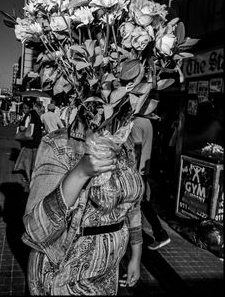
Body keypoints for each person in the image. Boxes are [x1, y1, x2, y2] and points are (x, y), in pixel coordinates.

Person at [22, 119, 144, 295]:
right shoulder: (60, 142)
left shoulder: (126, 142)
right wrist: (81, 173)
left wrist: (136, 255)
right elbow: (36, 230)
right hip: (65, 274)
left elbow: (132, 207)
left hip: (109, 270)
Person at [130, 115, 171, 250]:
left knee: (142, 202)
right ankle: (159, 234)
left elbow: (137, 148)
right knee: (142, 201)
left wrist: (134, 171)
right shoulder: (146, 121)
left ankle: (160, 234)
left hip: (138, 169)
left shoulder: (136, 122)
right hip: (144, 169)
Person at [14, 101, 44, 183]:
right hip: (37, 141)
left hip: (29, 141)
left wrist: (20, 126)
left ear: (30, 108)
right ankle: (32, 178)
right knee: (34, 161)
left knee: (27, 161)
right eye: (23, 108)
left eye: (25, 108)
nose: (24, 110)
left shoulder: (29, 115)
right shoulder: (37, 115)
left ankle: (29, 178)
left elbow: (24, 128)